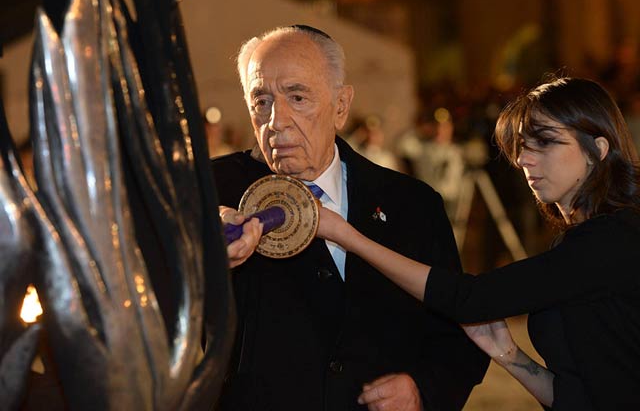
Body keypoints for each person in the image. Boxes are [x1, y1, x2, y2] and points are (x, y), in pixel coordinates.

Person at [316, 77, 640, 410]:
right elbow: (581, 397)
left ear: (597, 150)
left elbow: (470, 299)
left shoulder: (613, 239)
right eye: (522, 145)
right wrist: (510, 356)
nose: (524, 159)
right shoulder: (580, 241)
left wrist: (349, 237)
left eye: (545, 142)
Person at [211, 25, 489, 411]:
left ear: (341, 106)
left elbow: (461, 333)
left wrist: (423, 389)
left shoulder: (413, 204)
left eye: (297, 97)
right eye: (261, 101)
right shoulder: (204, 195)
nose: (276, 120)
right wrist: (199, 250)